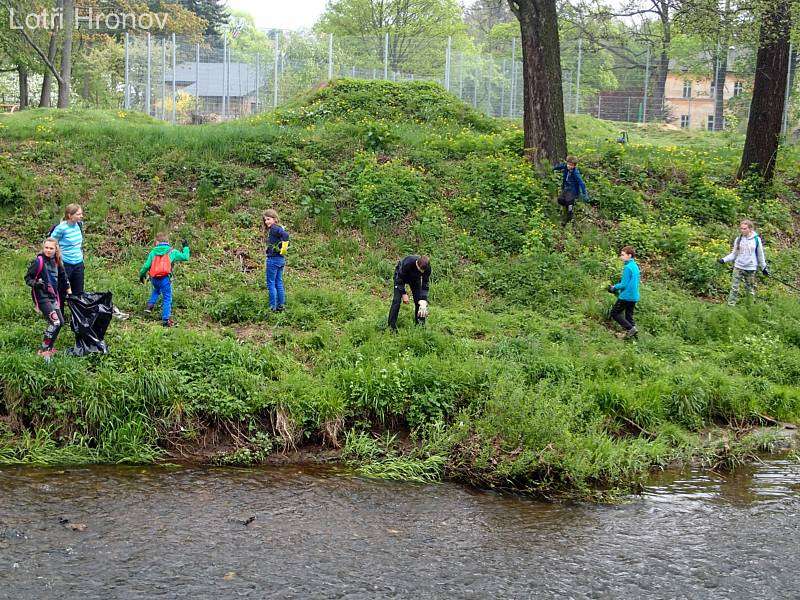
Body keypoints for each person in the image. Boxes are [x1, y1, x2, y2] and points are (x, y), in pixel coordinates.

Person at [25, 238, 71, 358]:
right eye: (46, 248)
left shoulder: (57, 261)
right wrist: (36, 283)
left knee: (60, 322)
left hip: (52, 296)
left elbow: (63, 276)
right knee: (54, 322)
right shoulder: (38, 261)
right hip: (42, 297)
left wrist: (69, 291)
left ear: (56, 249)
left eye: (51, 248)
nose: (48, 250)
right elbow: (28, 278)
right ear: (43, 248)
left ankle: (50, 347)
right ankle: (43, 350)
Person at [138, 232, 190, 327]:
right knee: (167, 298)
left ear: (157, 242)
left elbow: (146, 266)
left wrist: (141, 276)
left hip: (154, 278)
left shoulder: (153, 252)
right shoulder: (172, 252)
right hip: (165, 278)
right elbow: (185, 257)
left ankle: (150, 306)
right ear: (168, 242)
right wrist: (185, 246)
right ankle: (165, 320)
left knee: (156, 290)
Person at [718, 219, 769, 306]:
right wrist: (724, 260)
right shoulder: (738, 239)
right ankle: (731, 305)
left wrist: (764, 267)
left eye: (744, 228)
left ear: (750, 229)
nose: (742, 230)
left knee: (750, 289)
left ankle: (750, 306)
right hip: (738, 266)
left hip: (751, 267)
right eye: (741, 228)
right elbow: (734, 254)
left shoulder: (756, 240)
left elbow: (760, 254)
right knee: (734, 288)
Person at [49, 203, 84, 300]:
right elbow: (51, 242)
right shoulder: (61, 228)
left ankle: (76, 314)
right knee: (62, 291)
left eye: (81, 214)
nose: (81, 216)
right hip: (65, 264)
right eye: (78, 214)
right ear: (70, 215)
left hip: (78, 263)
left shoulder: (79, 225)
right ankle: (60, 314)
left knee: (78, 292)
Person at [388, 255, 431, 331]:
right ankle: (391, 327)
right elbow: (399, 279)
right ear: (417, 263)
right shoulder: (408, 263)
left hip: (415, 280)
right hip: (400, 277)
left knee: (419, 302)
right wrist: (403, 293)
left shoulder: (427, 268)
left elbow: (425, 284)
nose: (422, 272)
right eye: (420, 270)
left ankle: (420, 326)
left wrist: (423, 300)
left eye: (423, 271)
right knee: (396, 301)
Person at [607, 246, 640, 339]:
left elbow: (624, 284)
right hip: (634, 296)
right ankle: (635, 338)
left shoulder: (627, 267)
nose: (621, 257)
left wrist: (614, 287)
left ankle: (630, 329)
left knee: (614, 313)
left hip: (626, 296)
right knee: (629, 316)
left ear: (629, 255)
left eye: (623, 255)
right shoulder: (635, 266)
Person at [263, 209, 289, 313]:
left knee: (271, 283)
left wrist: (284, 248)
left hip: (273, 259)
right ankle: (281, 306)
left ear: (275, 219)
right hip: (280, 260)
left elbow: (286, 235)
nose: (266, 222)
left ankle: (272, 307)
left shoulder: (274, 228)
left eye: (268, 219)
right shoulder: (278, 228)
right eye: (265, 220)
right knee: (279, 283)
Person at [553, 155, 589, 226]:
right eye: (568, 164)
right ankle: (569, 206)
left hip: (573, 191)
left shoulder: (576, 173)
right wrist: (553, 168)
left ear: (574, 166)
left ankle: (567, 220)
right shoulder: (566, 167)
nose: (569, 166)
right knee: (560, 200)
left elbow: (581, 183)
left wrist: (585, 194)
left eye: (571, 165)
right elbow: (560, 166)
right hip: (566, 188)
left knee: (569, 205)